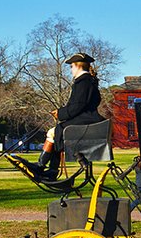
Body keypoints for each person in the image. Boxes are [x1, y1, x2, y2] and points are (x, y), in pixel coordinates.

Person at [29, 52, 103, 180]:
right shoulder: (89, 81)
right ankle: (49, 169)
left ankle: (44, 167)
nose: (71, 70)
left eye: (71, 66)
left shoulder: (83, 82)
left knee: (54, 132)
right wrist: (61, 112)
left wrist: (60, 113)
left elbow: (77, 106)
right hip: (88, 119)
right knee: (55, 132)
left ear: (77, 66)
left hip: (86, 121)